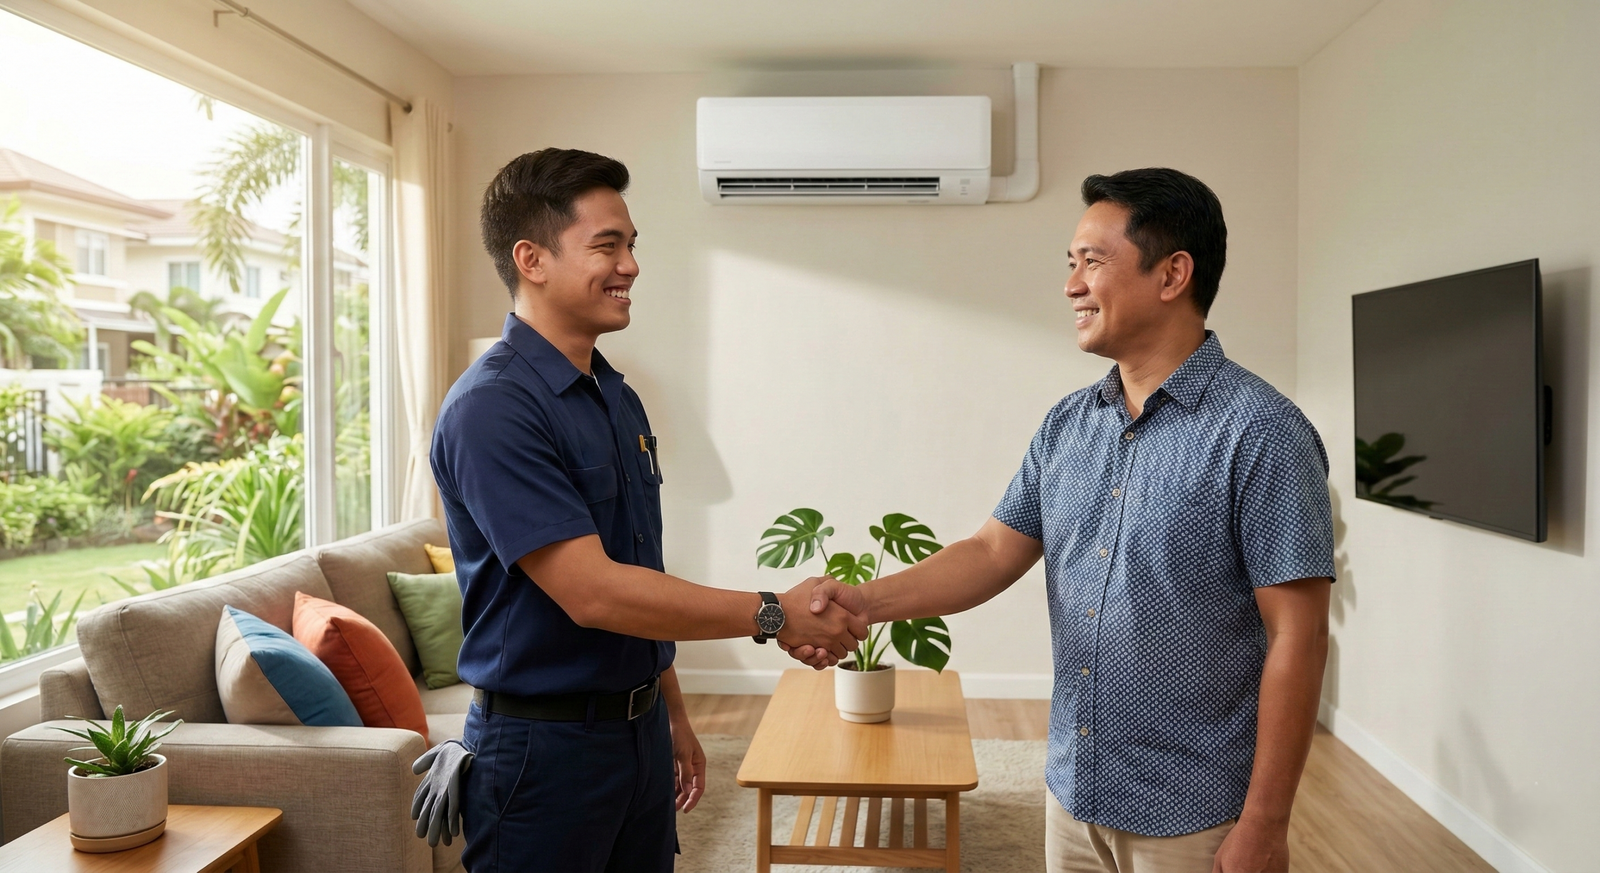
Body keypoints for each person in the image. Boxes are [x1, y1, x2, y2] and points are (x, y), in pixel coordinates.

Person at [798, 168, 1335, 873]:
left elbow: (1297, 634)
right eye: (1070, 263)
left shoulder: (1262, 431)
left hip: (1197, 814)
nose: (1071, 285)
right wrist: (865, 601)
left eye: (1092, 261)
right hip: (1075, 795)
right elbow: (992, 551)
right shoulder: (1068, 425)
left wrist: (1266, 822)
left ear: (1173, 274)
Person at [420, 148, 867, 873]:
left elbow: (637, 572)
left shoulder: (614, 395)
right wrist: (774, 611)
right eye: (607, 245)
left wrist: (673, 716)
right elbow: (593, 590)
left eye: (631, 244)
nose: (630, 264)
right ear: (530, 258)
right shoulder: (493, 407)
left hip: (635, 735)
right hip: (541, 754)